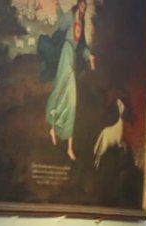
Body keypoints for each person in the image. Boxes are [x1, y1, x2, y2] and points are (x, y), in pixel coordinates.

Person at [39, 0, 94, 161]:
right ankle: (56, 130)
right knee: (66, 95)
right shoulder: (71, 16)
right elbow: (62, 24)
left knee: (68, 99)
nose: (83, 9)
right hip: (65, 56)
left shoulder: (81, 24)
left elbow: (82, 46)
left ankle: (62, 137)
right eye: (82, 6)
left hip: (73, 60)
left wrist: (89, 55)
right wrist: (57, 8)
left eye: (85, 7)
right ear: (78, 5)